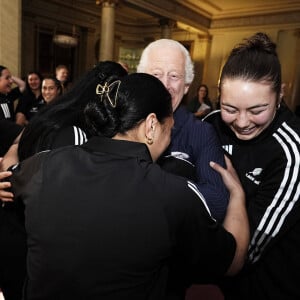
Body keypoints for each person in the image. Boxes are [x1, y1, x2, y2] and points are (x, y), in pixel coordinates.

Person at [8, 72, 249, 299]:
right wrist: (237, 195)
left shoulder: (42, 165)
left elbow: (12, 180)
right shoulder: (173, 194)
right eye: (170, 128)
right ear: (152, 125)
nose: (170, 138)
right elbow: (232, 261)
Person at [0, 61, 128, 300]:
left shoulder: (54, 114)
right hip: (33, 246)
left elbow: (16, 148)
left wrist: (11, 177)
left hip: (14, 231)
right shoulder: (77, 132)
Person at [205, 32, 300, 300]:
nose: (242, 122)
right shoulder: (211, 124)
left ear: (280, 94)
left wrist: (237, 195)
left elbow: (247, 251)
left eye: (257, 110)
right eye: (230, 108)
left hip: (267, 285)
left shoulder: (292, 152)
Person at [137, 39, 228, 222]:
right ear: (141, 78)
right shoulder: (123, 123)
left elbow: (216, 202)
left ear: (186, 86)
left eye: (174, 76)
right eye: (156, 74)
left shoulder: (201, 133)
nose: (164, 84)